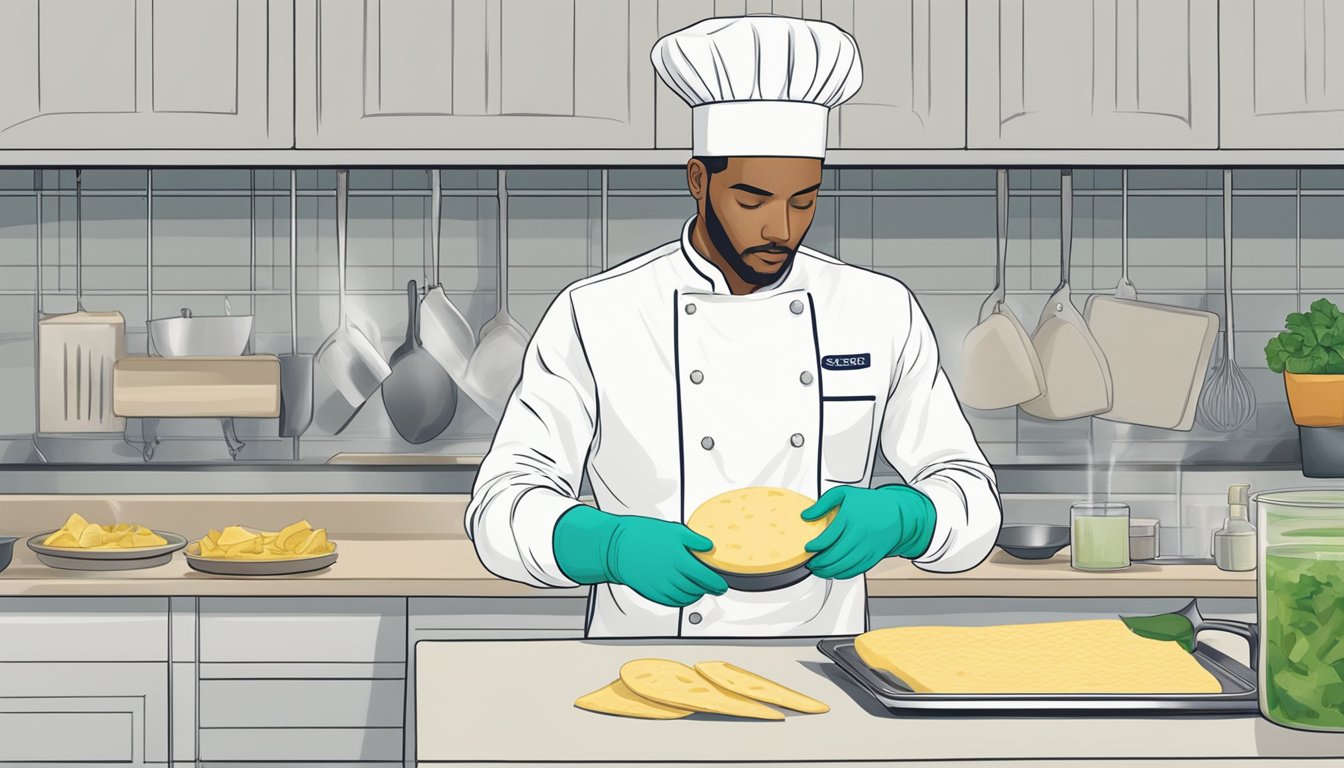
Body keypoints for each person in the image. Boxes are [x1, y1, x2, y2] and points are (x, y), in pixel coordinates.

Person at [466, 15, 1001, 638]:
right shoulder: (598, 314)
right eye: (753, 200)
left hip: (824, 661)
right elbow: (502, 504)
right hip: (645, 659)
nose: (783, 228)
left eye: (804, 200)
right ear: (699, 180)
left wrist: (909, 518)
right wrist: (605, 545)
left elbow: (973, 499)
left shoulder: (878, 310)